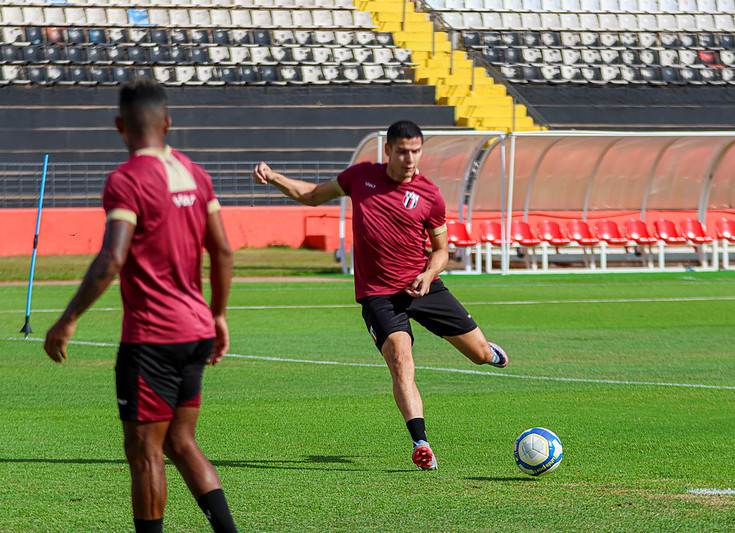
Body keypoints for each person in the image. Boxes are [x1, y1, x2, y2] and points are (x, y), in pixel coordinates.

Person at [252, 120, 508, 471]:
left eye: (416, 151)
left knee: (479, 355)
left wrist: (428, 274)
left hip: (423, 285)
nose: (409, 158)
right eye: (402, 151)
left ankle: (491, 352)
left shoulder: (429, 194)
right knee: (401, 357)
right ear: (387, 150)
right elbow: (310, 195)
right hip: (378, 295)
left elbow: (442, 250)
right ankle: (421, 443)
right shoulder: (361, 177)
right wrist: (274, 176)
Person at [43, 78, 237, 533]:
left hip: (152, 339)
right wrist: (220, 314)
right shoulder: (195, 172)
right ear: (167, 124)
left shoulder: (126, 179)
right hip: (196, 330)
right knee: (181, 442)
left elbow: (112, 258)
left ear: (119, 126)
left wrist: (68, 319)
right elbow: (224, 251)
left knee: (146, 453)